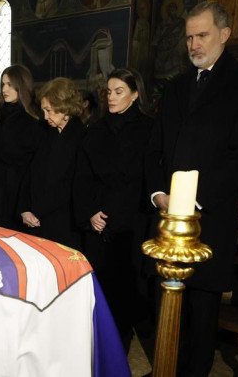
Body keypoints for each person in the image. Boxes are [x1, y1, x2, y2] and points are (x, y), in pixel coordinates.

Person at [144, 2, 238, 376]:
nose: (193, 44)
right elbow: (155, 148)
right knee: (165, 302)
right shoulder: (177, 86)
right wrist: (157, 193)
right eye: (189, 37)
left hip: (210, 217)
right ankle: (166, 366)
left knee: (200, 311)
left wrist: (194, 198)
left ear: (224, 35)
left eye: (202, 35)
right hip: (167, 218)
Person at [73, 68, 154, 352]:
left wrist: (114, 216)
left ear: (134, 94)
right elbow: (81, 177)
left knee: (125, 296)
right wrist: (90, 213)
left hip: (130, 227)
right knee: (96, 293)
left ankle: (119, 354)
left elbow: (145, 182)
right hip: (96, 226)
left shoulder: (149, 130)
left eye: (119, 91)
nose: (112, 97)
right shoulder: (95, 129)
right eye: (109, 91)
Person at [18, 78, 83, 247]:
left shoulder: (82, 136)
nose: (45, 116)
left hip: (63, 222)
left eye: (49, 110)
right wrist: (24, 208)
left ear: (64, 106)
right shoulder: (45, 132)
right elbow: (30, 172)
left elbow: (70, 183)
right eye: (43, 111)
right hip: (34, 218)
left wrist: (37, 210)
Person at [0, 65, 43, 229]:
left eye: (10, 85)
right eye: (3, 84)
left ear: (21, 85)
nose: (5, 89)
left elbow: (31, 162)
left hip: (18, 190)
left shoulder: (33, 119)